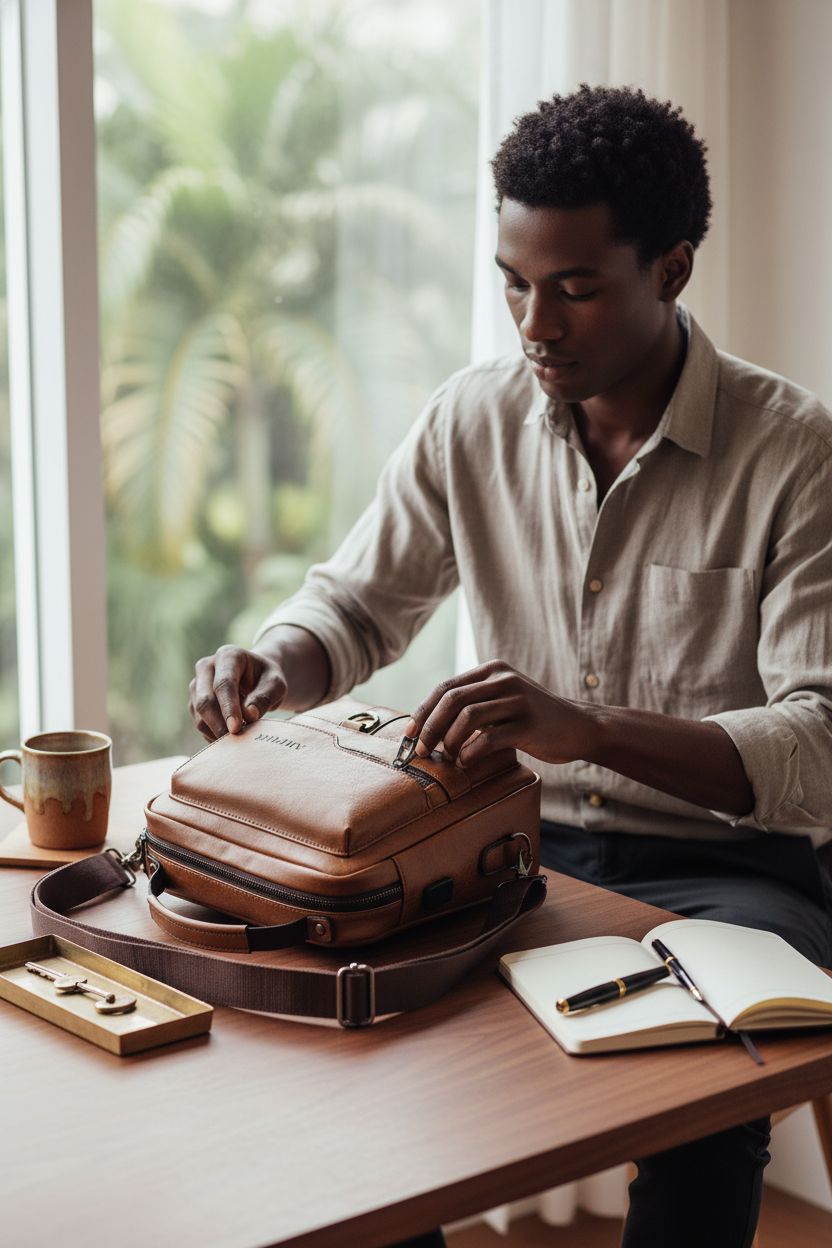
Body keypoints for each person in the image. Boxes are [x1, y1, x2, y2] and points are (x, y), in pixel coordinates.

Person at [188, 85, 832, 1248]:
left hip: (731, 874)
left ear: (672, 270)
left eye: (575, 287)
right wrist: (273, 662)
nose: (534, 322)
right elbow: (354, 605)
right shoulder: (467, 421)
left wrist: (586, 724)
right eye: (513, 282)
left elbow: (819, 747)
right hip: (502, 855)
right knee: (346, 1036)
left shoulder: (798, 456)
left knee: (699, 1107)